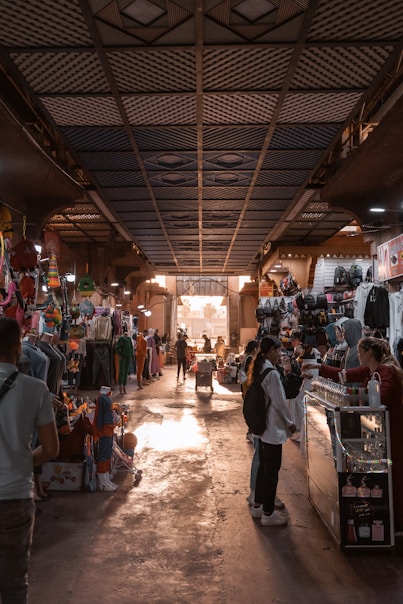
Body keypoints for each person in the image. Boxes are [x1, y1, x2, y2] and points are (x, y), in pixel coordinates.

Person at [305, 336, 403, 532]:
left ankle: (394, 522)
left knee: (394, 475)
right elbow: (345, 374)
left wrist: (362, 397)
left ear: (369, 353)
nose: (358, 356)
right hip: (378, 433)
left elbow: (381, 400)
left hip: (391, 433)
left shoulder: (385, 372)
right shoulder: (371, 370)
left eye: (360, 352)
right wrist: (317, 369)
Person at [0, 317, 59, 603]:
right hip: (15, 498)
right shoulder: (36, 389)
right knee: (13, 585)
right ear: (17, 349)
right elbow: (50, 449)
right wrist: (22, 462)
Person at [250, 336, 296, 526]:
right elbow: (279, 402)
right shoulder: (272, 373)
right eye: (278, 350)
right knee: (271, 471)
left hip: (262, 428)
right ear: (270, 351)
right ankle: (268, 514)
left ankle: (258, 506)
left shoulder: (260, 367)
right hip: (272, 429)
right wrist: (290, 422)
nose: (280, 354)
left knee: (263, 468)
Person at [93, 386, 119, 492]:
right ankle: (103, 483)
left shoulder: (105, 398)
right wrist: (99, 429)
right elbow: (99, 415)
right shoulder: (103, 398)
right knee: (104, 454)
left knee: (107, 454)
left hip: (108, 427)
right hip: (105, 428)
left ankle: (106, 480)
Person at [115, 328, 134, 394]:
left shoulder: (129, 339)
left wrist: (132, 356)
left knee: (126, 371)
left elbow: (131, 348)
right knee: (121, 371)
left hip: (128, 356)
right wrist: (119, 355)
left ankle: (124, 386)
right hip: (123, 357)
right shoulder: (122, 339)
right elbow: (117, 347)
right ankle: (120, 386)